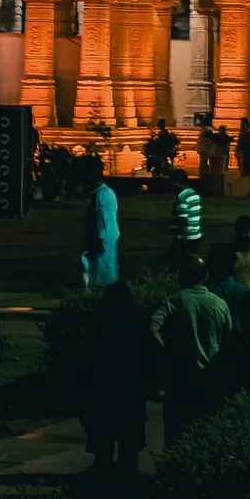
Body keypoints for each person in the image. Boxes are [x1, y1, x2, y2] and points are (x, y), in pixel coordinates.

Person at [150, 257, 232, 443]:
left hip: (180, 377)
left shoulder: (175, 300)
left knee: (175, 432)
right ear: (205, 276)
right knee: (206, 433)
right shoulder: (220, 305)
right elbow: (228, 341)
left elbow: (153, 327)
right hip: (210, 377)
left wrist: (165, 351)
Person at [82, 280, 149, 478]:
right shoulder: (138, 320)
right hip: (131, 387)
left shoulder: (102, 321)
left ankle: (103, 475)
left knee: (104, 436)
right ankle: (127, 475)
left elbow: (91, 354)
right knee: (129, 439)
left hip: (105, 386)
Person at [82, 158, 121, 288]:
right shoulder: (108, 192)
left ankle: (100, 287)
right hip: (110, 233)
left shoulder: (100, 195)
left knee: (101, 265)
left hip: (104, 235)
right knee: (108, 264)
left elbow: (102, 217)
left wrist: (101, 237)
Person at [168, 168, 202, 270]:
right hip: (196, 235)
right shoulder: (194, 194)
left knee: (177, 264)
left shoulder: (182, 198)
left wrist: (184, 238)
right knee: (192, 263)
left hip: (183, 238)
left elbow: (183, 220)